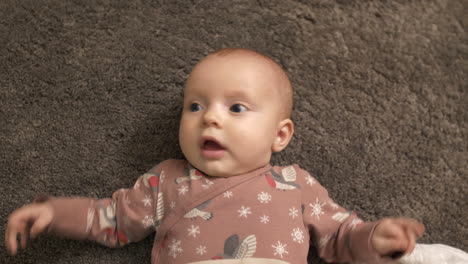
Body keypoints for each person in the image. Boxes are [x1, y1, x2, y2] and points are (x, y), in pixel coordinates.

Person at [5, 48, 425, 264]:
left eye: (236, 108)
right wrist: (55, 214)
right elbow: (112, 220)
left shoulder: (297, 183)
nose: (211, 120)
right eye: (195, 106)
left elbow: (337, 239)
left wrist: (373, 238)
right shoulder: (167, 181)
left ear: (280, 135)